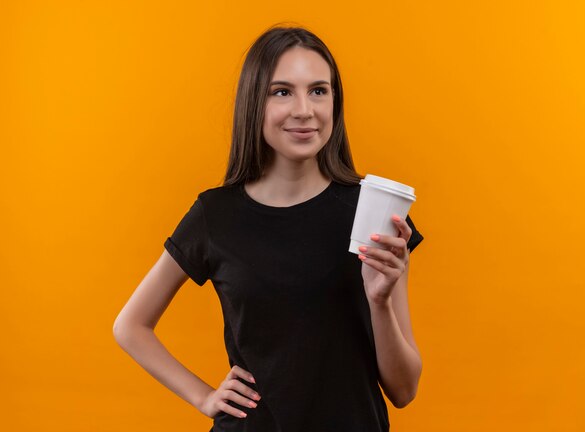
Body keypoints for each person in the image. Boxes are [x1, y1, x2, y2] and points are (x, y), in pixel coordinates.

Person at [113, 24, 425, 432]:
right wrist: (203, 396)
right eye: (282, 91)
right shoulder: (215, 215)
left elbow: (404, 390)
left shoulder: (372, 210)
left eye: (318, 90)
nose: (304, 110)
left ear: (335, 102)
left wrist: (379, 302)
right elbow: (130, 326)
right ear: (254, 103)